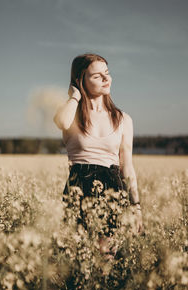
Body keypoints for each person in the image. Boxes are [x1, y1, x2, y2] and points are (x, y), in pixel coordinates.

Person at [54, 53, 144, 256]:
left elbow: (127, 166)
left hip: (112, 185)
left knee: (106, 257)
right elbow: (61, 122)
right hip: (79, 185)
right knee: (78, 256)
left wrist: (136, 206)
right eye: (97, 76)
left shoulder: (123, 119)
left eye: (107, 73)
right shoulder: (72, 114)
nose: (106, 79)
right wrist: (75, 95)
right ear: (80, 80)